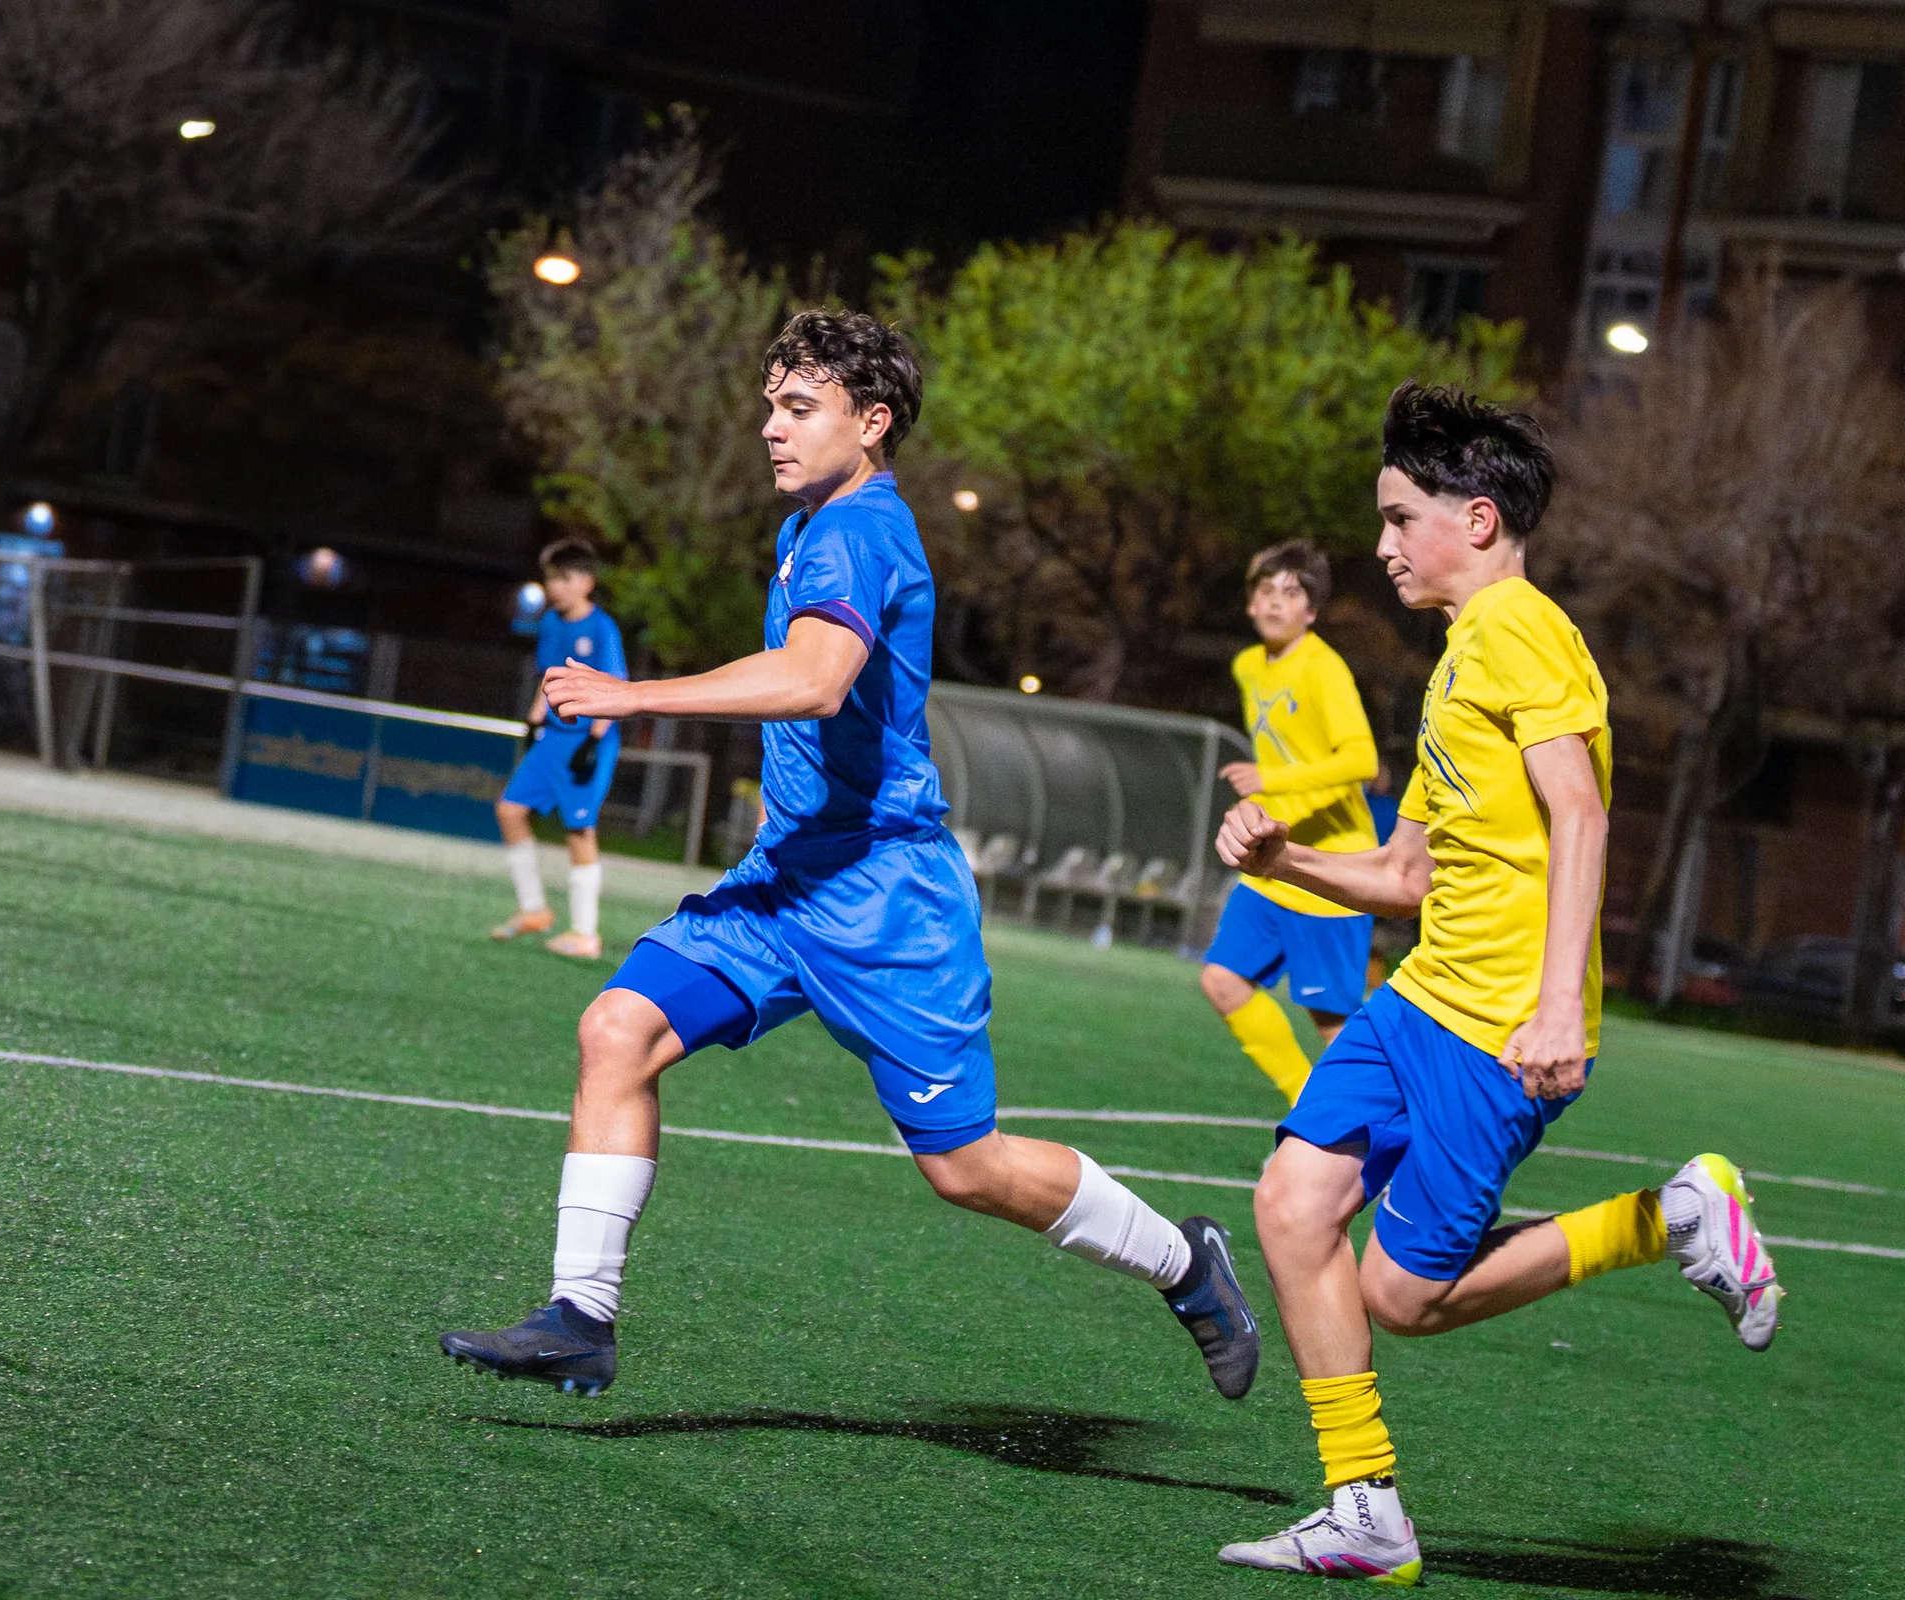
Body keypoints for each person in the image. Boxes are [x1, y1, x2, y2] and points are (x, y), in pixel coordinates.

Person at [438, 309, 1260, 1402]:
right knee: (617, 1028)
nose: (770, 429)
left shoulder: (859, 530)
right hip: (785, 885)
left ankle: (1183, 1260)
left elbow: (817, 679)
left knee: (965, 1167)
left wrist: (633, 693)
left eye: (798, 407)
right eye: (769, 405)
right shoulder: (808, 524)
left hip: (884, 899)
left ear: (870, 423)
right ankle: (581, 1315)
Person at [1212, 383, 1782, 1586]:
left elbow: (1580, 810)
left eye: (1398, 516)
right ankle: (1364, 1508)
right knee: (1290, 1203)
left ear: (1475, 520)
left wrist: (1563, 1005)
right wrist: (1289, 857)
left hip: (1496, 1028)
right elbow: (1407, 874)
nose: (1379, 545)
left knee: (1402, 1299)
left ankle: (1671, 1216)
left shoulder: (1521, 628)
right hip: (1418, 999)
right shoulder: (1460, 655)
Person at [1201, 541, 1380, 1105]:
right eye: (1266, 590)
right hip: (1274, 861)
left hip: (1334, 871)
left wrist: (1273, 783)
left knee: (1332, 1026)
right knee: (1222, 981)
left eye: (1293, 592)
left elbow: (1363, 762)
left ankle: (1385, 1131)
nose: (1277, 602)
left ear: (1312, 612)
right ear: (1249, 605)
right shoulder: (1248, 665)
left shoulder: (1323, 667)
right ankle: (1310, 1107)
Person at [492, 538, 626, 961]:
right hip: (552, 737)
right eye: (551, 578)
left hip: (587, 741)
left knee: (579, 830)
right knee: (510, 811)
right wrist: (533, 721)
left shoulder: (602, 628)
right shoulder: (551, 623)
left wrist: (594, 739)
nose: (556, 587)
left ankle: (585, 934)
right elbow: (548, 678)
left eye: (564, 578)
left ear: (586, 582)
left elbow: (616, 685)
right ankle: (533, 909)